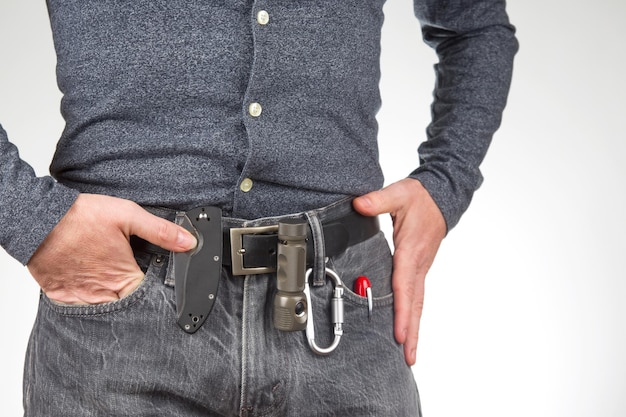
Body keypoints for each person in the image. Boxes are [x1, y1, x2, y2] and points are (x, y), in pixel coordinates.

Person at [0, 0, 517, 415]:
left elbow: (474, 26)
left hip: (341, 311)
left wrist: (446, 181)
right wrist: (27, 215)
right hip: (120, 305)